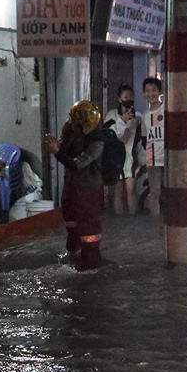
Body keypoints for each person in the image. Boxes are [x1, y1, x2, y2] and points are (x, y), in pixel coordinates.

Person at [44, 100, 106, 269]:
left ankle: (91, 264)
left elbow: (75, 164)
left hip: (88, 189)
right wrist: (59, 147)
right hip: (72, 185)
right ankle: (74, 257)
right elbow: (67, 154)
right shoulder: (70, 130)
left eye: (75, 122)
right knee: (70, 221)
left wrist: (56, 152)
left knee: (89, 229)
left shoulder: (97, 142)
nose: (71, 124)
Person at [101, 86, 140, 215]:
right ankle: (119, 219)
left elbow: (141, 139)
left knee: (131, 189)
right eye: (125, 97)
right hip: (116, 157)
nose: (129, 100)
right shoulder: (112, 115)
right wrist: (122, 120)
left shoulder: (138, 117)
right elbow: (108, 134)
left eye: (131, 97)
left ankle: (133, 219)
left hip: (131, 157)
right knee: (118, 190)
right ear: (119, 99)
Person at [138, 76, 166, 216]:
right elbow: (145, 139)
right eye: (147, 91)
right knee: (154, 191)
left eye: (154, 90)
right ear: (143, 94)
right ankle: (155, 222)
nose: (151, 94)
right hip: (153, 159)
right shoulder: (145, 116)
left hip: (169, 157)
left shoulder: (167, 110)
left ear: (160, 91)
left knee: (170, 191)